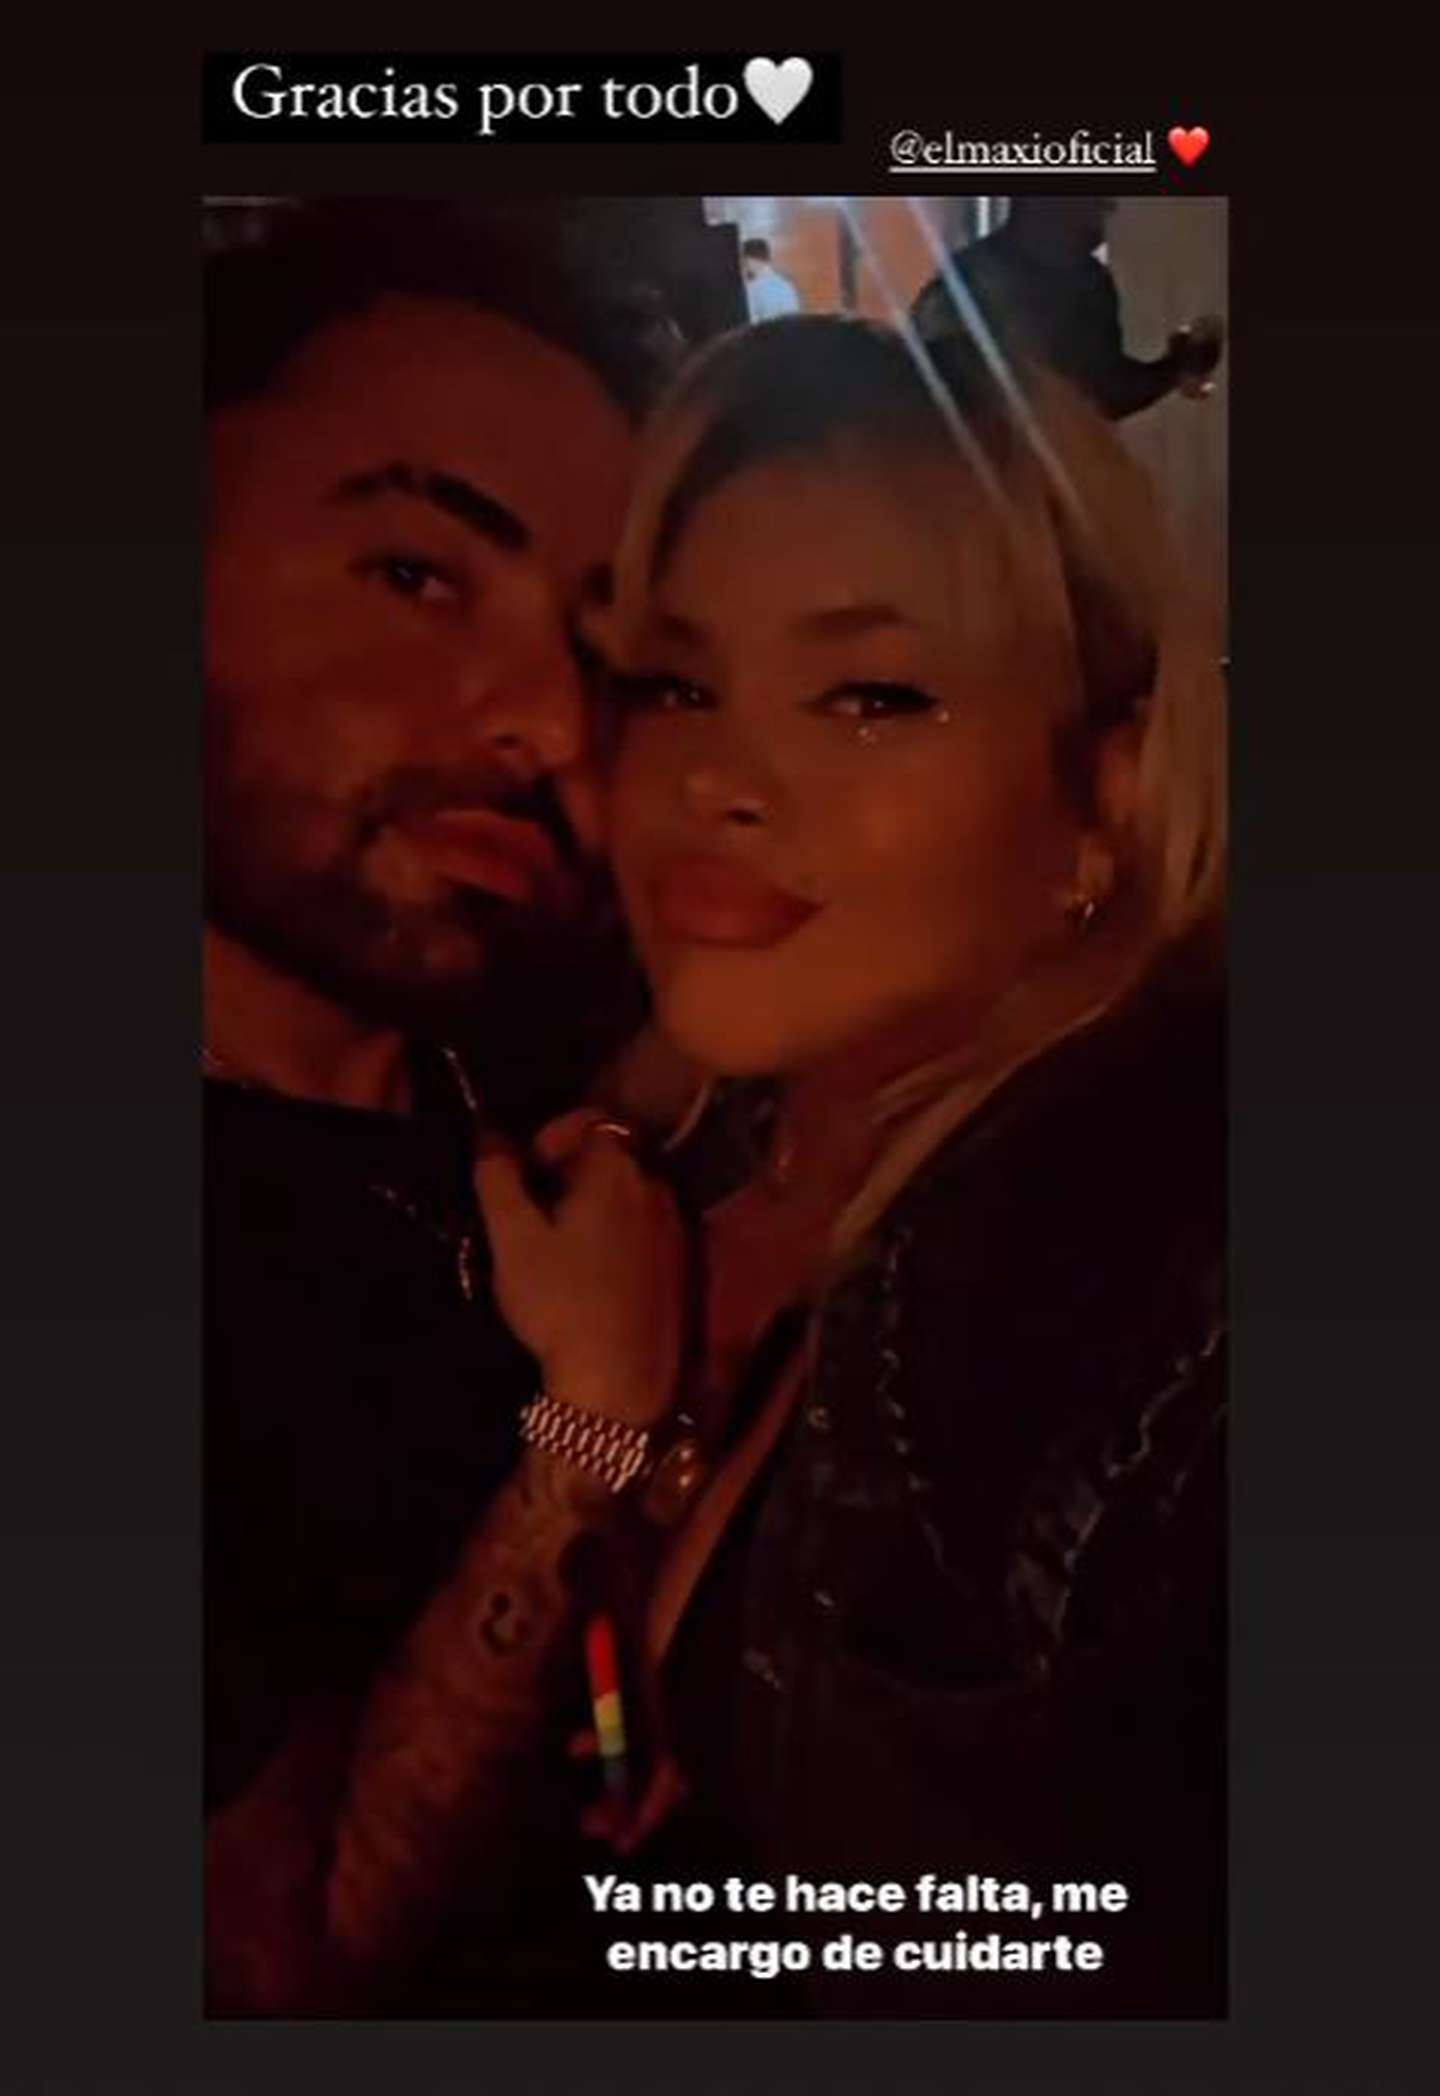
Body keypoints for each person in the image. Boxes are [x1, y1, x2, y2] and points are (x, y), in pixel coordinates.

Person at [532, 314, 1226, 2013]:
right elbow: (617, 1751)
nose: (720, 777)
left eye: (871, 696)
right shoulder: (690, 1132)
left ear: (1101, 799)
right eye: (678, 683)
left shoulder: (1098, 1272)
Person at [202, 202, 690, 2014]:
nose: (550, 727)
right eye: (417, 575)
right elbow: (275, 1959)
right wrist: (592, 1426)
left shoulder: (517, 1033)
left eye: (604, 657)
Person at [912, 196, 1224, 419]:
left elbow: (1106, 391)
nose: (1107, 206)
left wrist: (1174, 366)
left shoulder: (1090, 281)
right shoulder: (970, 284)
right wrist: (1173, 368)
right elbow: (923, 400)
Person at [741, 236, 803, 323]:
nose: (744, 266)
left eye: (744, 261)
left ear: (750, 260)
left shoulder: (753, 287)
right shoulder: (787, 285)